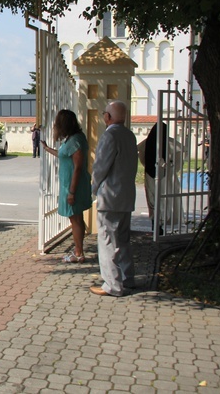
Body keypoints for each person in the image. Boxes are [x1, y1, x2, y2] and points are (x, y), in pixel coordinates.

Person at [90, 100, 138, 297]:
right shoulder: (129, 135)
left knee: (108, 239)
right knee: (124, 239)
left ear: (108, 117)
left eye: (104, 114)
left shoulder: (110, 135)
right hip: (126, 195)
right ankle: (128, 277)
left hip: (110, 195)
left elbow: (101, 166)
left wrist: (93, 188)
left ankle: (112, 285)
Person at [41, 110, 92, 263]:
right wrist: (47, 149)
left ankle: (78, 253)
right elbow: (64, 155)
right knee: (77, 218)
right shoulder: (74, 138)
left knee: (75, 219)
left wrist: (71, 192)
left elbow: (77, 167)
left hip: (73, 186)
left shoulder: (75, 140)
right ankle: (79, 251)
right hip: (71, 185)